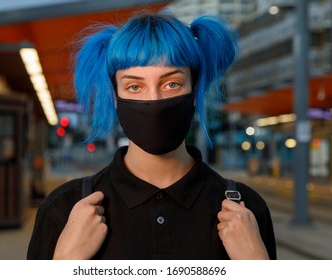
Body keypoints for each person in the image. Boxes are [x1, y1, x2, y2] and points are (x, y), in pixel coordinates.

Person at [27, 11, 276, 260]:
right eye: (134, 86)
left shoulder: (247, 210)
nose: (154, 101)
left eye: (172, 84)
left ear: (195, 88)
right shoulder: (62, 209)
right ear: (115, 96)